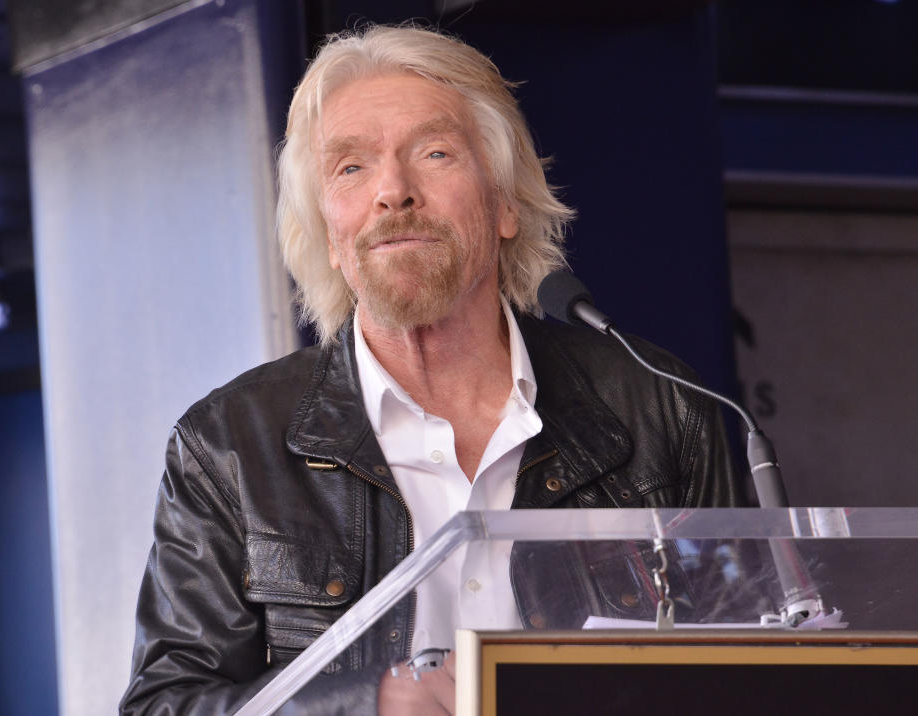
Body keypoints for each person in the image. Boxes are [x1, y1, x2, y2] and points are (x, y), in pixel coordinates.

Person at [120, 23, 740, 715]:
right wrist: (366, 704)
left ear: (504, 204)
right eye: (349, 167)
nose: (393, 191)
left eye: (435, 152)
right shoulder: (228, 444)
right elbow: (163, 707)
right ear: (329, 233)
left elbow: (756, 664)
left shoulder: (660, 406)